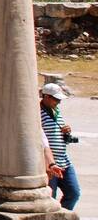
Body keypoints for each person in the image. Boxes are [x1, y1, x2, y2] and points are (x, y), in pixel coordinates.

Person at [40, 82, 81, 210]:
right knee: (50, 197)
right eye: (56, 99)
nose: (58, 102)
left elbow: (57, 135)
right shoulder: (37, 112)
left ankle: (62, 216)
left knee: (73, 193)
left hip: (64, 160)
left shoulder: (56, 111)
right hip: (49, 162)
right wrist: (47, 163)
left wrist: (65, 132)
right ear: (46, 97)